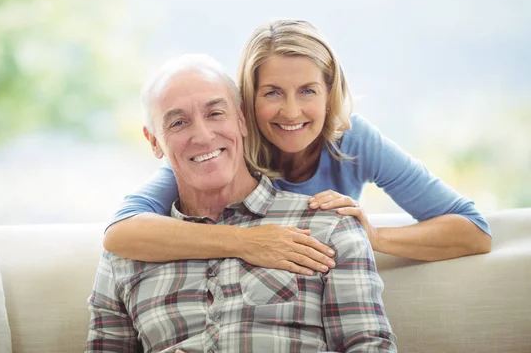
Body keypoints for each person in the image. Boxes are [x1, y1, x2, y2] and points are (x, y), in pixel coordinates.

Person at [104, 19, 491, 274]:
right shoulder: (226, 148)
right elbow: (121, 232)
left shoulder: (351, 140)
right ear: (247, 103)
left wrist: (373, 239)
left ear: (328, 93)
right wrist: (246, 241)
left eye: (307, 91)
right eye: (272, 92)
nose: (291, 112)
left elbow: (472, 230)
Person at [85, 54, 397, 352]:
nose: (204, 136)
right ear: (154, 141)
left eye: (215, 114)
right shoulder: (125, 256)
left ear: (242, 121)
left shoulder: (330, 226)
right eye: (178, 123)